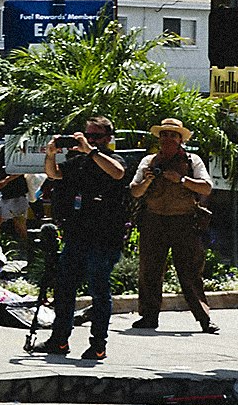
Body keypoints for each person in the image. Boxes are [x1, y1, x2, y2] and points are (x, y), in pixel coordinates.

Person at [38, 116, 130, 360]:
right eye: (87, 136)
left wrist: (91, 151)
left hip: (105, 236)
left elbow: (118, 173)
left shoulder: (114, 159)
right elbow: (54, 174)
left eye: (96, 137)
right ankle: (59, 340)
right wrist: (50, 154)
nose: (90, 141)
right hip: (77, 233)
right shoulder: (78, 161)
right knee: (64, 287)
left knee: (99, 290)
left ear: (108, 139)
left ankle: (98, 344)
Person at [128, 118, 218, 334]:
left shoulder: (192, 160)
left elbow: (206, 187)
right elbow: (134, 190)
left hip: (184, 221)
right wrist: (148, 180)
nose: (167, 139)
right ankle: (149, 317)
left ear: (180, 140)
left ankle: (204, 319)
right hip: (153, 220)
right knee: (149, 270)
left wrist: (181, 180)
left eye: (172, 135)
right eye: (164, 135)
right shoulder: (149, 161)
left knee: (190, 272)